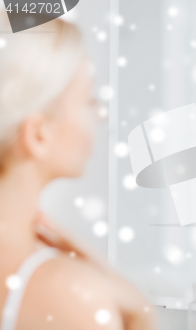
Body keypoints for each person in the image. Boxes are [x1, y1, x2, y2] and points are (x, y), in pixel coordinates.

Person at [0, 12, 158, 329]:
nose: (98, 116)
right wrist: (141, 313)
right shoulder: (67, 294)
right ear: (38, 133)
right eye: (89, 100)